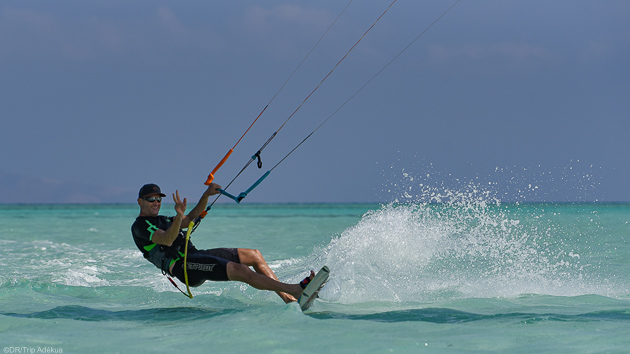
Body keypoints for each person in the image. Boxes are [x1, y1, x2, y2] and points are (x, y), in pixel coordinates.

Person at [131, 183, 313, 303]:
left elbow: (191, 218)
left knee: (254, 255)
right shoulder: (139, 226)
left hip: (195, 255)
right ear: (140, 202)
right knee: (240, 270)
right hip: (184, 268)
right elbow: (167, 239)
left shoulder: (163, 219)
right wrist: (179, 216)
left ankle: (288, 298)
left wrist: (206, 195)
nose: (156, 202)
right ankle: (294, 290)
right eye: (151, 199)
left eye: (159, 199)